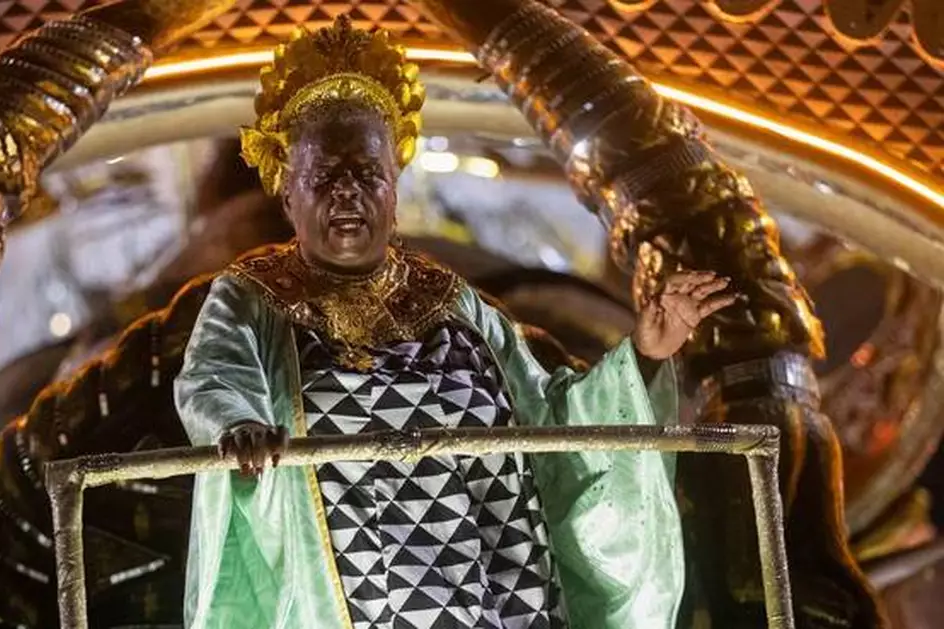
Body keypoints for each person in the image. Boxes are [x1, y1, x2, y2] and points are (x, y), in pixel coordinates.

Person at [174, 16, 736, 629]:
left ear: (393, 191)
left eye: (367, 175)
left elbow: (549, 418)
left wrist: (647, 352)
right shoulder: (251, 297)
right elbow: (214, 379)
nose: (347, 194)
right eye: (324, 177)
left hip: (501, 581)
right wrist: (241, 425)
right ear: (287, 196)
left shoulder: (454, 300)